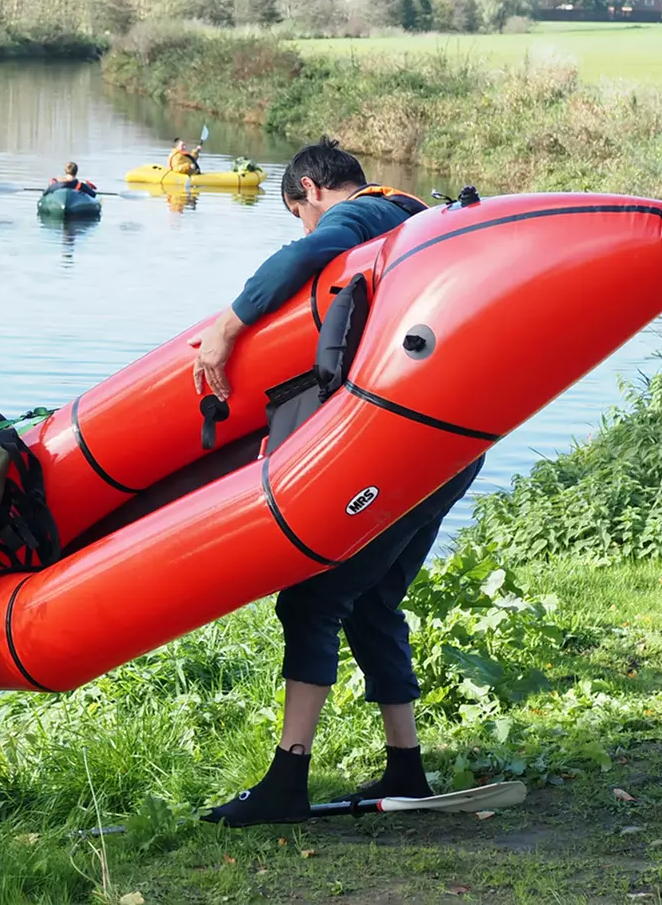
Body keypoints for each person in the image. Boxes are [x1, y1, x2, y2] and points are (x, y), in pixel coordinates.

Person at [189, 137, 484, 828]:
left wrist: (227, 327)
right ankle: (405, 771)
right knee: (374, 600)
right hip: (454, 448)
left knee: (313, 601)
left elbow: (304, 256)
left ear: (313, 191)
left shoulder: (356, 217)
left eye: (299, 211)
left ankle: (287, 779)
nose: (306, 226)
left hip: (407, 448)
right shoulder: (416, 215)